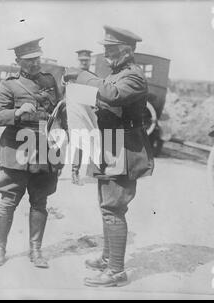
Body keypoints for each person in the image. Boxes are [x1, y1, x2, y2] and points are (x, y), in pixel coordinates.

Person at [64, 25, 154, 287]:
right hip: (111, 144)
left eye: (110, 50)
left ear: (126, 51)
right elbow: (102, 95)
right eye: (105, 50)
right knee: (107, 206)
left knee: (113, 208)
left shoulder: (133, 77)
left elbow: (111, 95)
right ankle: (108, 258)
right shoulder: (117, 74)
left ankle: (116, 272)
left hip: (124, 148)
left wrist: (82, 76)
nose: (105, 56)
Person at [0, 37, 61, 269]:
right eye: (28, 61)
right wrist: (17, 113)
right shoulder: (9, 85)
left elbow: (59, 113)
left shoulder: (49, 81)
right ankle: (0, 248)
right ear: (18, 61)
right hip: (16, 150)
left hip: (45, 150)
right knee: (9, 200)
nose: (35, 64)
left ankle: (36, 251)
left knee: (40, 201)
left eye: (37, 59)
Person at [71, 49, 95, 185]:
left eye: (86, 60)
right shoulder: (71, 74)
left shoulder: (93, 76)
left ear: (90, 61)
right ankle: (57, 170)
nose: (84, 62)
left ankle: (76, 172)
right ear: (78, 61)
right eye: (82, 60)